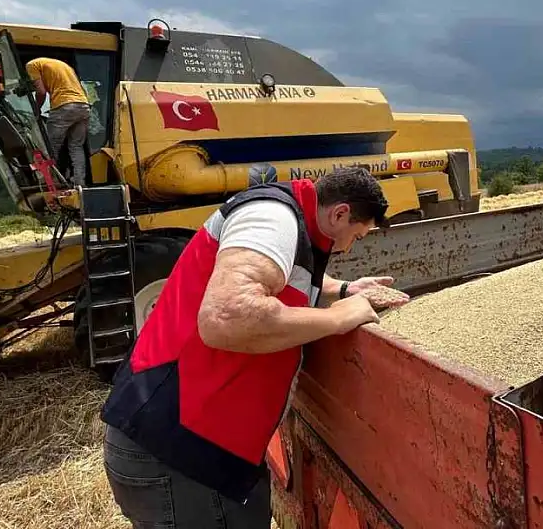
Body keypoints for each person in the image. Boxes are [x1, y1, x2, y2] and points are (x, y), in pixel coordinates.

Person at [100, 167, 409, 528]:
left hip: (196, 448)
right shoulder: (272, 219)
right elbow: (228, 317)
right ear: (339, 213)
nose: (349, 246)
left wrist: (343, 289)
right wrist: (339, 317)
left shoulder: (288, 220)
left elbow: (281, 268)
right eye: (355, 235)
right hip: (180, 454)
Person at [24, 57, 92, 186]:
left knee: (51, 147)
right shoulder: (63, 66)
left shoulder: (31, 65)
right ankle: (79, 183)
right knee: (76, 146)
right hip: (83, 106)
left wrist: (36, 110)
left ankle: (50, 182)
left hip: (63, 106)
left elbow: (41, 92)